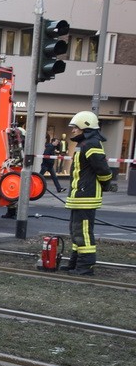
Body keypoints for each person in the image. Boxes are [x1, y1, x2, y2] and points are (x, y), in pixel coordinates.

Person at [63, 111, 114, 276]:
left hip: (86, 196)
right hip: (80, 196)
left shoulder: (91, 144)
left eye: (75, 128)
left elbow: (103, 170)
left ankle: (85, 267)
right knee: (76, 231)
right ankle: (75, 263)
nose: (73, 131)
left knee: (83, 231)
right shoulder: (84, 144)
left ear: (85, 126)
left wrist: (106, 185)